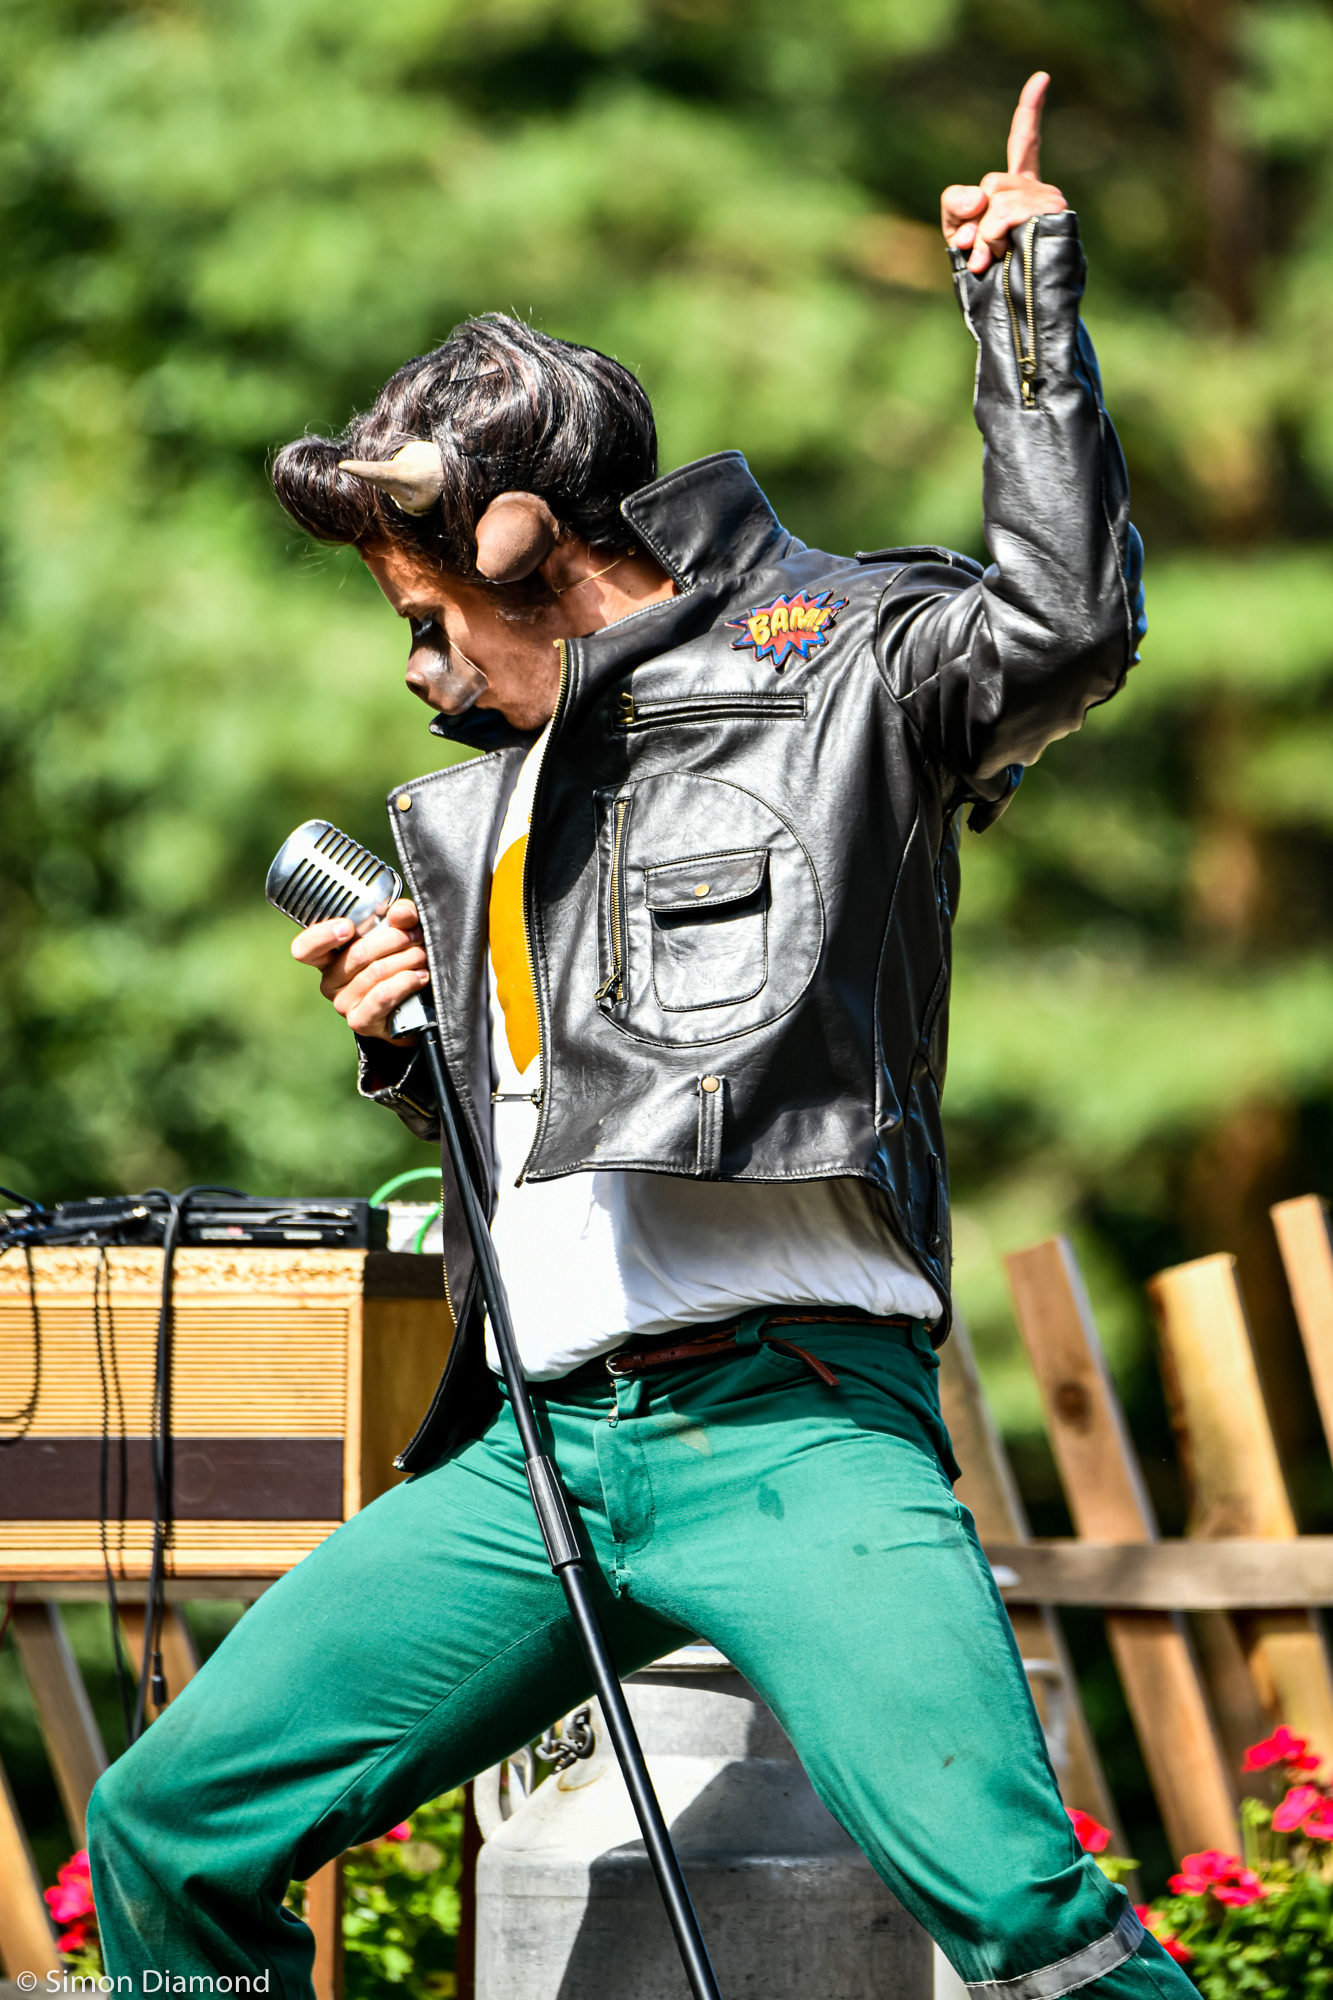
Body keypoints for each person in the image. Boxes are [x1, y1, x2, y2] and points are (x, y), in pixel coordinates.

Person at [89, 74, 1189, 2000]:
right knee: (166, 1828)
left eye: (426, 610)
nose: (414, 666)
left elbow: (1066, 628)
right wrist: (413, 1046)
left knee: (1022, 1916)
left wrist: (1022, 315)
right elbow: (570, 1128)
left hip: (789, 1422)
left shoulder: (847, 669)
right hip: (533, 1451)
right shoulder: (483, 808)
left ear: (523, 541)